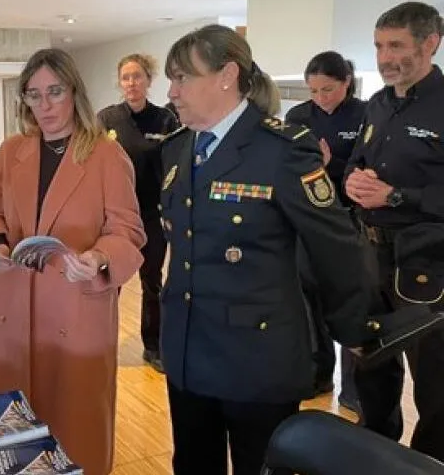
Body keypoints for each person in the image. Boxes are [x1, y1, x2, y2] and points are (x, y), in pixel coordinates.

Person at [158, 24, 424, 475]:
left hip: (255, 359)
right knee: (192, 465)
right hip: (187, 350)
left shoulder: (280, 149)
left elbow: (336, 246)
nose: (172, 90)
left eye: (182, 77)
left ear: (226, 75)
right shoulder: (178, 149)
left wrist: (355, 329)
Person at [0, 48, 146, 475]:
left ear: (74, 93)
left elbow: (128, 232)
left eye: (54, 92)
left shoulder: (106, 156)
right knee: (15, 432)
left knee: (77, 426)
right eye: (33, 95)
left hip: (74, 308)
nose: (44, 106)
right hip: (14, 309)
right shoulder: (10, 152)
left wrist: (100, 256)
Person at [345, 1, 444, 462]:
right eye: (380, 46)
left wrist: (397, 197)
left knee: (435, 383)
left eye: (397, 46)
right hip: (369, 256)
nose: (385, 58)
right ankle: (375, 457)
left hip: (427, 264)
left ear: (430, 43)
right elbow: (357, 164)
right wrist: (351, 181)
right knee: (371, 365)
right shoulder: (376, 105)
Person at [285, 51, 367, 412]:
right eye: (314, 90)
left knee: (351, 298)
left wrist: (332, 166)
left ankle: (355, 388)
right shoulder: (298, 116)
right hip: (308, 221)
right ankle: (317, 373)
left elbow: (370, 166)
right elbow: (287, 166)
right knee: (307, 299)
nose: (321, 98)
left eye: (329, 89)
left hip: (350, 218)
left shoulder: (365, 114)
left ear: (346, 83)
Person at [97, 53, 178, 372]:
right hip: (115, 217)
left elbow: (173, 168)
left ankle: (153, 346)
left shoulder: (166, 119)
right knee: (109, 282)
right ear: (120, 82)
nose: (132, 83)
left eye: (138, 76)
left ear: (149, 80)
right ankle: (100, 344)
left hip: (151, 214)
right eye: (126, 77)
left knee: (152, 283)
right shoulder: (106, 119)